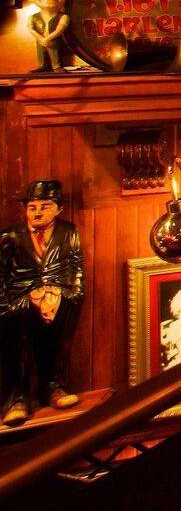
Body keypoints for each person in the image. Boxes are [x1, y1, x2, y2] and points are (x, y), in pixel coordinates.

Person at [1, 180, 84, 425]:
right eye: (32, 207)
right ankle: (15, 398)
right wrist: (9, 304)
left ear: (58, 209)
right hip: (21, 301)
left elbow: (76, 265)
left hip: (59, 299)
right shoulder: (10, 236)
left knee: (54, 345)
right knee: (16, 349)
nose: (37, 212)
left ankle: (52, 387)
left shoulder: (68, 232)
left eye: (45, 206)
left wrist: (73, 294)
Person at [19, 0, 73, 72]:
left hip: (51, 41)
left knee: (54, 51)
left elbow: (60, 29)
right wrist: (40, 38)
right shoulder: (33, 17)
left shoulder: (63, 17)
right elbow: (31, 29)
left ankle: (56, 66)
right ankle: (43, 65)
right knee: (41, 52)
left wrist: (47, 39)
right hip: (40, 40)